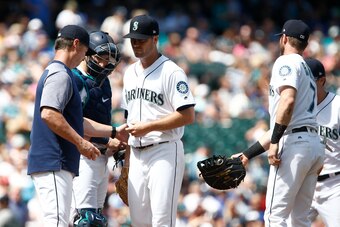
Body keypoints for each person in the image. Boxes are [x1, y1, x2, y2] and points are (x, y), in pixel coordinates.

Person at [27, 25, 126, 227]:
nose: (84, 57)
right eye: (86, 52)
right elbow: (50, 114)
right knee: (62, 221)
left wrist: (111, 136)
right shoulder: (63, 74)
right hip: (56, 158)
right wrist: (84, 141)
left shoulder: (63, 73)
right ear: (76, 45)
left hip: (68, 159)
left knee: (78, 221)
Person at [233, 19, 325, 227]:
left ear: (283, 38)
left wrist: (275, 141)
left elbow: (288, 100)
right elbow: (282, 121)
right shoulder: (307, 70)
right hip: (312, 144)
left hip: (294, 143)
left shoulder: (286, 61)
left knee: (275, 217)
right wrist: (247, 155)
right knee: (299, 219)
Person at [121, 15, 196, 226]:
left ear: (155, 39)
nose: (136, 44)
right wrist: (126, 162)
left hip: (164, 151)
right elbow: (129, 119)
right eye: (133, 39)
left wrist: (149, 126)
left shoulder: (172, 72)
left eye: (141, 39)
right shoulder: (129, 73)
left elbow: (188, 115)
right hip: (136, 153)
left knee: (162, 220)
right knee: (139, 222)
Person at [71, 31, 127, 226]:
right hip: (83, 156)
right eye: (100, 58)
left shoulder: (105, 83)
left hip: (101, 157)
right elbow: (74, 122)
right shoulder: (76, 79)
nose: (104, 64)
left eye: (108, 59)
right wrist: (107, 138)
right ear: (87, 53)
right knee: (83, 219)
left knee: (97, 218)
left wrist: (113, 145)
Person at [305, 58, 340, 226]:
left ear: (322, 81)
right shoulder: (297, 108)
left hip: (334, 185)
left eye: (308, 81)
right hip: (304, 184)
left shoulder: (338, 106)